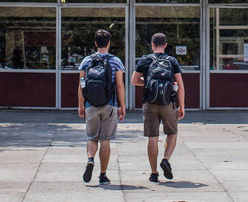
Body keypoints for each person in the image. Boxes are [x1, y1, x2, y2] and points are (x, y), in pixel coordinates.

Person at [131, 32, 185, 183]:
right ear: (165, 45)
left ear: (152, 44)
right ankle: (166, 159)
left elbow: (134, 81)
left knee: (152, 137)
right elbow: (180, 84)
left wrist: (147, 83)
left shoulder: (145, 59)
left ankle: (154, 173)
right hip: (168, 103)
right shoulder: (172, 60)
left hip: (150, 103)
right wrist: (182, 106)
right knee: (172, 133)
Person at [78, 29, 126, 184]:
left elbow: (81, 84)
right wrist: (122, 105)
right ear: (109, 43)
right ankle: (103, 175)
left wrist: (81, 105)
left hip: (91, 104)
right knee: (105, 140)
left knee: (92, 137)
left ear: (95, 43)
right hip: (109, 104)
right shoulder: (115, 61)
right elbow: (119, 85)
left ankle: (90, 158)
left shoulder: (86, 61)